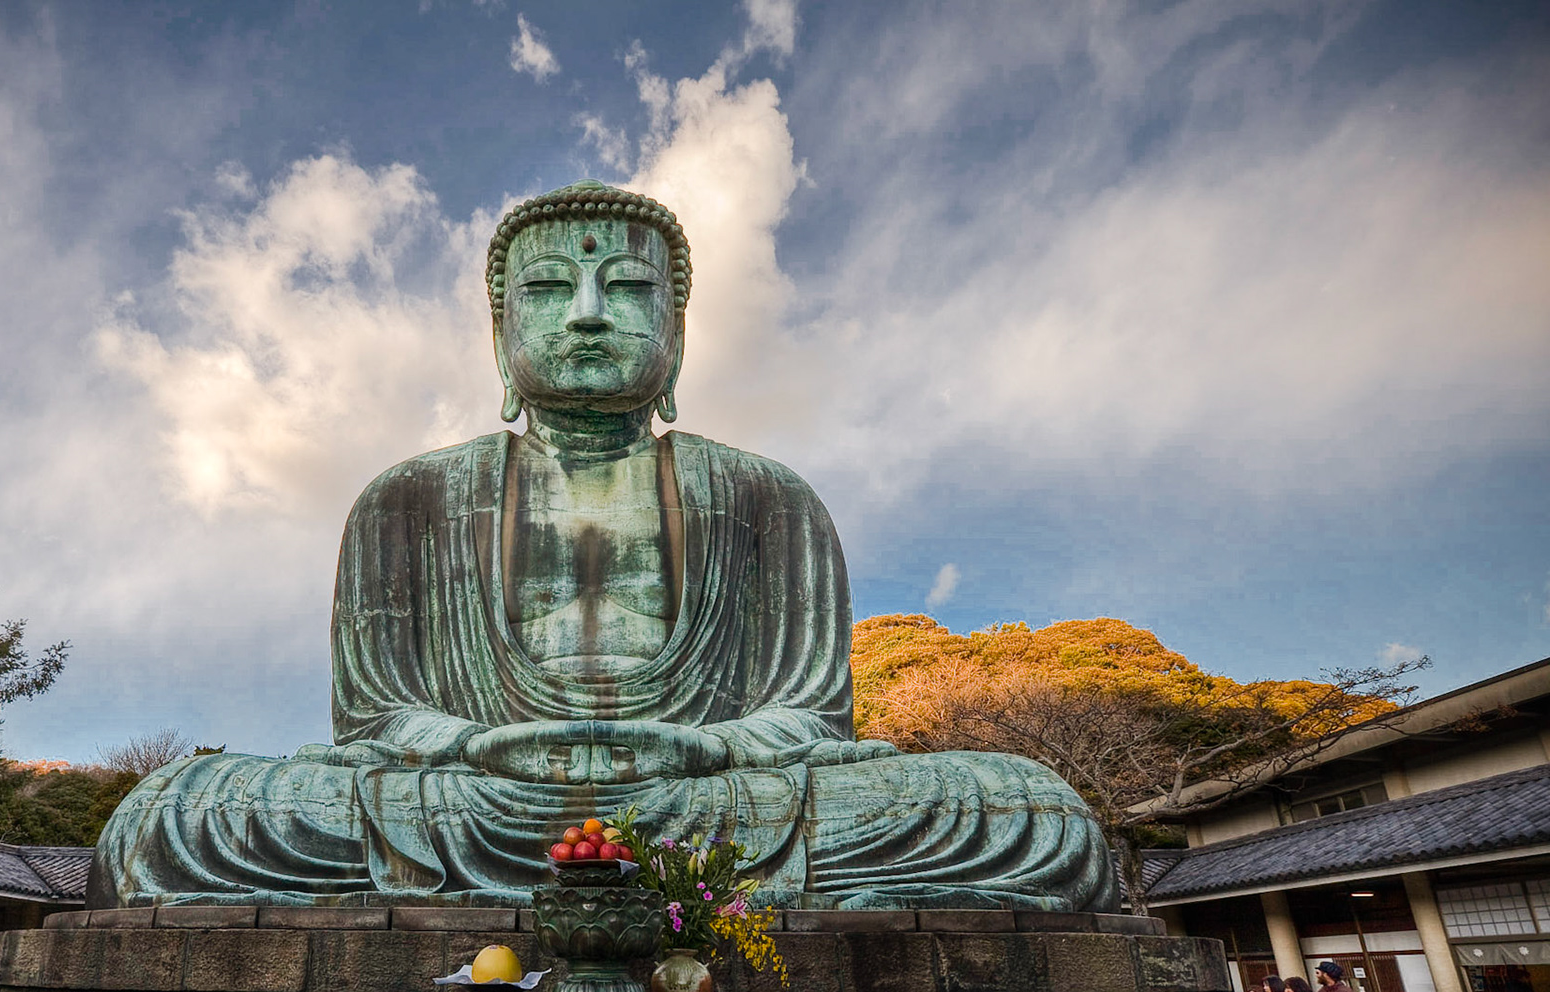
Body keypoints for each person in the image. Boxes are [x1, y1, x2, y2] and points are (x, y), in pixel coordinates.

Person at [90, 180, 1121, 912]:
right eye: (547, 292)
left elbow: (806, 716)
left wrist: (711, 744)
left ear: (677, 329)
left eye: (627, 291)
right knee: (175, 816)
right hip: (473, 800)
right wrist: (468, 744)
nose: (587, 314)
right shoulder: (405, 501)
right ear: (501, 337)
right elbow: (376, 718)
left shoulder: (767, 499)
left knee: (1029, 809)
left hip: (713, 800)